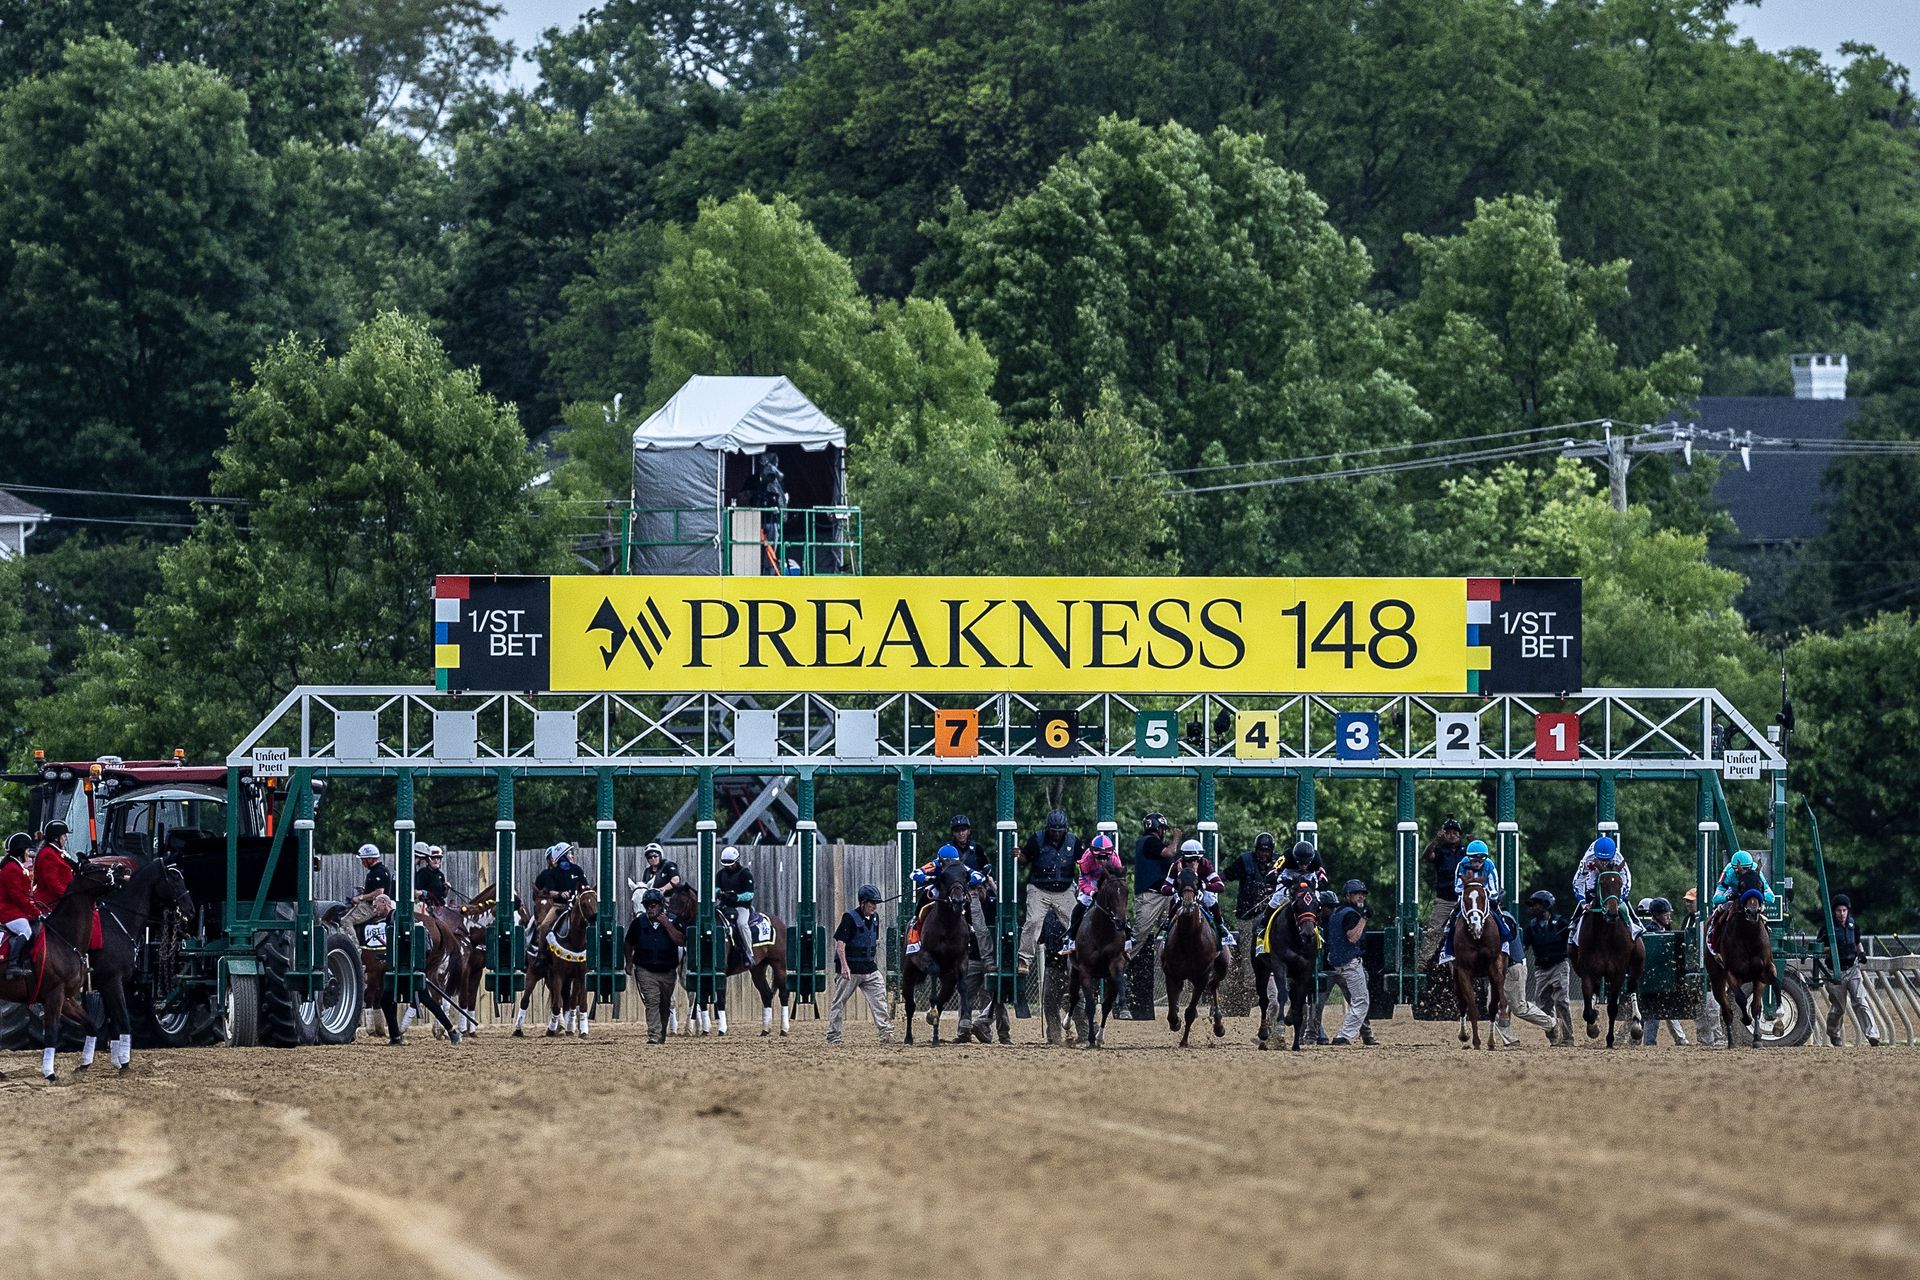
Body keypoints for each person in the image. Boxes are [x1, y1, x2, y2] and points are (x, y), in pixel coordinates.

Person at [827, 884, 895, 1045]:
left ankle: (886, 1034)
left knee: (880, 1001)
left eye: (876, 903)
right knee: (838, 1002)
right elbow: (840, 944)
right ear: (862, 902)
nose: (874, 906)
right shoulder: (849, 918)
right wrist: (844, 966)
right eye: (872, 903)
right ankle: (833, 1036)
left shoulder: (876, 918)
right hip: (851, 970)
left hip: (870, 969)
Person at [1015, 809, 1080, 975]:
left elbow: (1082, 862)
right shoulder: (1037, 839)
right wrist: (1019, 855)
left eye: (1060, 831)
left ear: (1064, 829)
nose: (1056, 834)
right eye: (1053, 830)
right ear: (1047, 829)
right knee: (1034, 921)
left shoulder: (1073, 841)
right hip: (1039, 888)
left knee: (1076, 923)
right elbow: (1025, 859)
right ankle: (1024, 959)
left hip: (1064, 889)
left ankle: (1081, 955)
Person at [1435, 841, 1510, 966]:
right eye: (1474, 860)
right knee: (1453, 916)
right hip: (1468, 896)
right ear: (1469, 858)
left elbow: (1494, 889)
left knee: (1499, 913)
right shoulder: (1461, 865)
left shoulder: (1489, 866)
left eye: (1480, 861)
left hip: (1485, 897)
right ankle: (1446, 947)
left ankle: (1505, 941)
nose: (1477, 864)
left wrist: (1483, 892)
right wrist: (1470, 888)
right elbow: (1458, 888)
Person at [1058, 834, 1131, 959]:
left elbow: (1118, 880)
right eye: (1099, 857)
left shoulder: (1115, 859)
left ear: (1110, 855)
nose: (1102, 860)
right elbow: (1083, 881)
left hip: (1108, 882)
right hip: (1091, 881)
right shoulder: (1086, 859)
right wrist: (1092, 892)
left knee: (1118, 906)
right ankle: (1070, 940)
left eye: (1105, 857)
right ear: (1093, 854)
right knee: (1079, 908)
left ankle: (1128, 939)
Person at [626, 888, 684, 1043]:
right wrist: (629, 962)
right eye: (647, 906)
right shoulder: (638, 923)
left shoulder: (673, 920)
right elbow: (628, 942)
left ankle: (661, 1033)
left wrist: (667, 925)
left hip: (668, 971)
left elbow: (680, 940)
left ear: (660, 906)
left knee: (665, 1004)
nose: (650, 908)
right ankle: (654, 1035)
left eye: (653, 905)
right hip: (645, 969)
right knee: (652, 1002)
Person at [1495, 902, 1557, 1046]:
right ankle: (1510, 1041)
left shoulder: (1505, 917)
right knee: (1493, 1006)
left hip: (1513, 967)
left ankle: (1551, 1023)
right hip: (1497, 970)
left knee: (1519, 1007)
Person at [1825, 893, 1881, 1047]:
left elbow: (1857, 943)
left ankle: (1872, 1034)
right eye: (1838, 911)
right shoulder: (1828, 927)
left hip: (1853, 969)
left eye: (1844, 910)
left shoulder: (1853, 925)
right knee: (1839, 1008)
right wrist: (1832, 950)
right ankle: (1833, 1033)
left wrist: (1861, 953)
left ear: (1848, 911)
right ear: (1834, 912)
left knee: (1861, 1001)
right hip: (1835, 972)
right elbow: (1820, 948)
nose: (1841, 914)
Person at [1568, 836, 1641, 952]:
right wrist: (1583, 903)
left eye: (1607, 860)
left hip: (1612, 877)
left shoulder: (1618, 858)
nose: (1604, 862)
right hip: (1593, 875)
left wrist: (1620, 899)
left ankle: (1635, 923)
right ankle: (1574, 925)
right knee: (1588, 897)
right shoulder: (1588, 859)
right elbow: (1578, 882)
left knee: (1619, 898)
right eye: (1601, 859)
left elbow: (1627, 882)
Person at [1167, 839, 1233, 962]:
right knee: (1175, 899)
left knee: (1210, 898)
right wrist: (1175, 889)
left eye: (1196, 859)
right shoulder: (1176, 865)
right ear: (1183, 859)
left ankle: (1220, 925)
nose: (1193, 863)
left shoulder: (1205, 864)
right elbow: (1164, 888)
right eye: (1189, 860)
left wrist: (1203, 885)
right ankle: (1167, 924)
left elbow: (1220, 886)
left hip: (1200, 891)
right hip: (1183, 892)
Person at [1522, 890, 1574, 1045]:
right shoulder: (1530, 927)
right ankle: (1553, 1036)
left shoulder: (1561, 924)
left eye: (1536, 904)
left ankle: (1567, 1038)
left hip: (1559, 966)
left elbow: (1572, 943)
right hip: (1541, 970)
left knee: (1561, 1001)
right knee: (1543, 1004)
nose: (1533, 908)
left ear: (1546, 905)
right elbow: (1524, 946)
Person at [1326, 880, 1374, 1045]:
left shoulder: (1337, 912)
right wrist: (1365, 918)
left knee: (1357, 1000)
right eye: (1356, 893)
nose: (1361, 896)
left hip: (1337, 962)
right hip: (1350, 962)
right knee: (1361, 1000)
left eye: (1362, 893)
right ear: (1348, 895)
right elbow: (1353, 937)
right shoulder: (1351, 914)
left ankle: (1349, 1034)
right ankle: (1344, 1036)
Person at [1637, 897, 1690, 1046]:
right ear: (1656, 915)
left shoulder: (1665, 929)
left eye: (1668, 913)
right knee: (1652, 1012)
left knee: (1664, 1010)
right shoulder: (1649, 931)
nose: (1668, 916)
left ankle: (1679, 1039)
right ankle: (1648, 1041)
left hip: (1664, 980)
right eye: (1665, 914)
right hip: (1652, 981)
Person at [1704, 849, 1773, 956]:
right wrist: (1729, 897)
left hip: (1751, 895)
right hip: (1734, 892)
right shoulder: (1729, 872)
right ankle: (1713, 932)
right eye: (1740, 870)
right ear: (1734, 869)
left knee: (1760, 909)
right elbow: (1716, 898)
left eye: (1747, 869)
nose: (1743, 873)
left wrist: (1758, 895)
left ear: (1751, 867)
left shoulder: (1756, 871)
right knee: (1723, 907)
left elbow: (1771, 897)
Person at [0, 832, 36, 978]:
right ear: (20, 851)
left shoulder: (17, 866)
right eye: (27, 850)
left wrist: (34, 906)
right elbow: (17, 897)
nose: (29, 853)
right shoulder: (11, 869)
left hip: (12, 907)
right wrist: (34, 911)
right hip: (6, 909)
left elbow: (24, 894)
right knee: (25, 929)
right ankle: (12, 965)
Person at [340, 843, 396, 934]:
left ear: (370, 859)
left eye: (363, 859)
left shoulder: (377, 872)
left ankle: (354, 947)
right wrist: (365, 890)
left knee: (346, 921)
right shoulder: (382, 870)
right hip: (374, 904)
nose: (362, 862)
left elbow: (379, 892)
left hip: (372, 906)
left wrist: (360, 897)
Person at [714, 846, 756, 964]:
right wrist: (719, 893)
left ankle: (749, 953)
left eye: (730, 864)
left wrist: (736, 896)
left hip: (741, 907)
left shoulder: (745, 874)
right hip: (725, 906)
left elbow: (750, 894)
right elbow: (716, 887)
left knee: (742, 924)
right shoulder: (720, 874)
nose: (728, 867)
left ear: (736, 861)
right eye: (725, 864)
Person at [1223, 831, 1276, 925]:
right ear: (1256, 850)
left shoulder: (1279, 863)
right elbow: (1226, 875)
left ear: (1271, 851)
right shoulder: (1245, 861)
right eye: (1261, 851)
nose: (1263, 854)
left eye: (1267, 851)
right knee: (1247, 938)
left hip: (1272, 916)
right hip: (1247, 916)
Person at [412, 842, 450, 907]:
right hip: (427, 905)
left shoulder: (441, 875)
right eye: (433, 858)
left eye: (438, 858)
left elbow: (444, 895)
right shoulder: (422, 873)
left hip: (440, 905)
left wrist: (447, 889)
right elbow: (416, 892)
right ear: (428, 860)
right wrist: (425, 894)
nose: (436, 861)